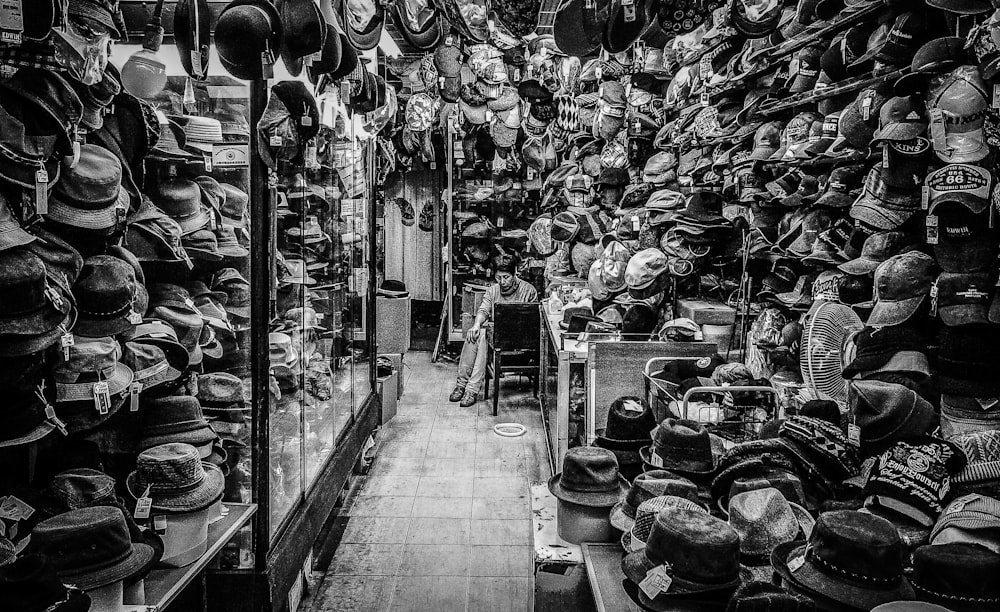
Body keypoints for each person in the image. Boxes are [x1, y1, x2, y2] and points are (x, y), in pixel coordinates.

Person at [450, 256, 538, 407]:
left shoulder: (528, 291)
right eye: (498, 277)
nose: (502, 282)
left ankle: (471, 390)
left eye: (506, 277)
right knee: (476, 334)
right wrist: (476, 324)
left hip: (522, 345)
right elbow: (483, 310)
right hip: (497, 341)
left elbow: (533, 323)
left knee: (484, 337)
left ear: (515, 273)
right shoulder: (493, 291)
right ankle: (462, 385)